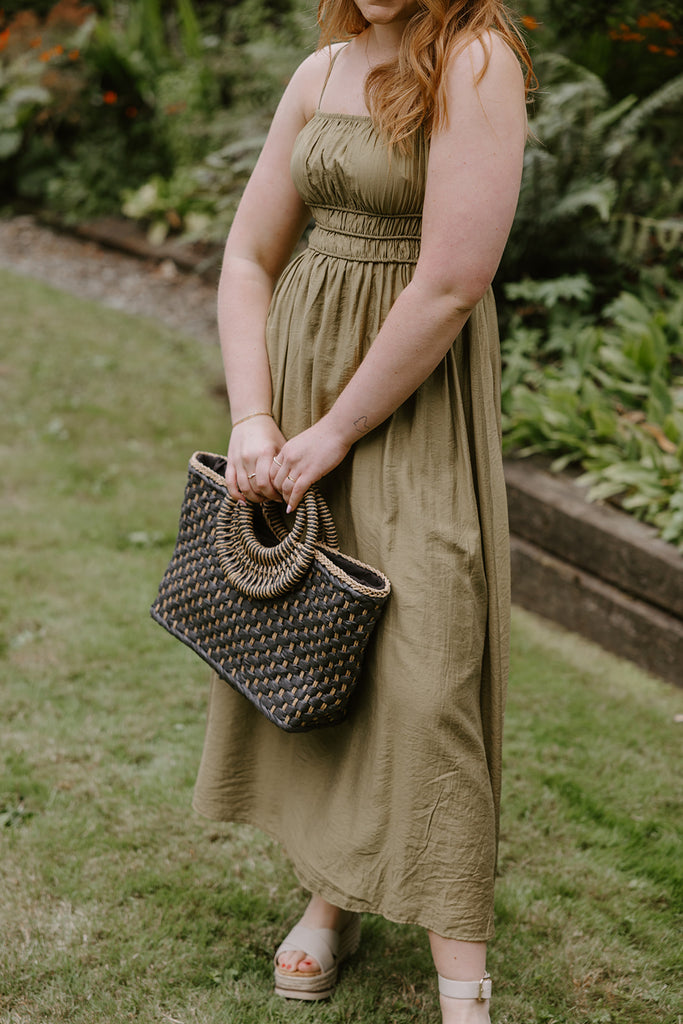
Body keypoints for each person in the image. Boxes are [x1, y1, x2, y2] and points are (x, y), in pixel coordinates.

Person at [192, 1, 532, 1020]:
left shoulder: (477, 60)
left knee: (427, 672)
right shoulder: (323, 69)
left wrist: (334, 432)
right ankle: (332, 896)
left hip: (404, 403)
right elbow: (248, 258)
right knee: (314, 646)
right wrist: (254, 416)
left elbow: (450, 281)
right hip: (299, 394)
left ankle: (462, 992)